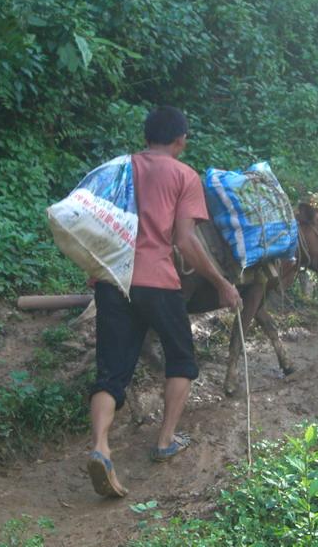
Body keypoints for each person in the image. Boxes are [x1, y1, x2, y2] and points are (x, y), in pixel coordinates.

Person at [86, 106, 242, 498]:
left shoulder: (120, 169)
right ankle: (165, 440)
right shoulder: (184, 175)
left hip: (112, 278)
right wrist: (221, 282)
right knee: (182, 360)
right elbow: (186, 241)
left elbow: (96, 220)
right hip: (157, 280)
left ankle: (101, 448)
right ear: (180, 140)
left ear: (146, 136)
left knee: (111, 372)